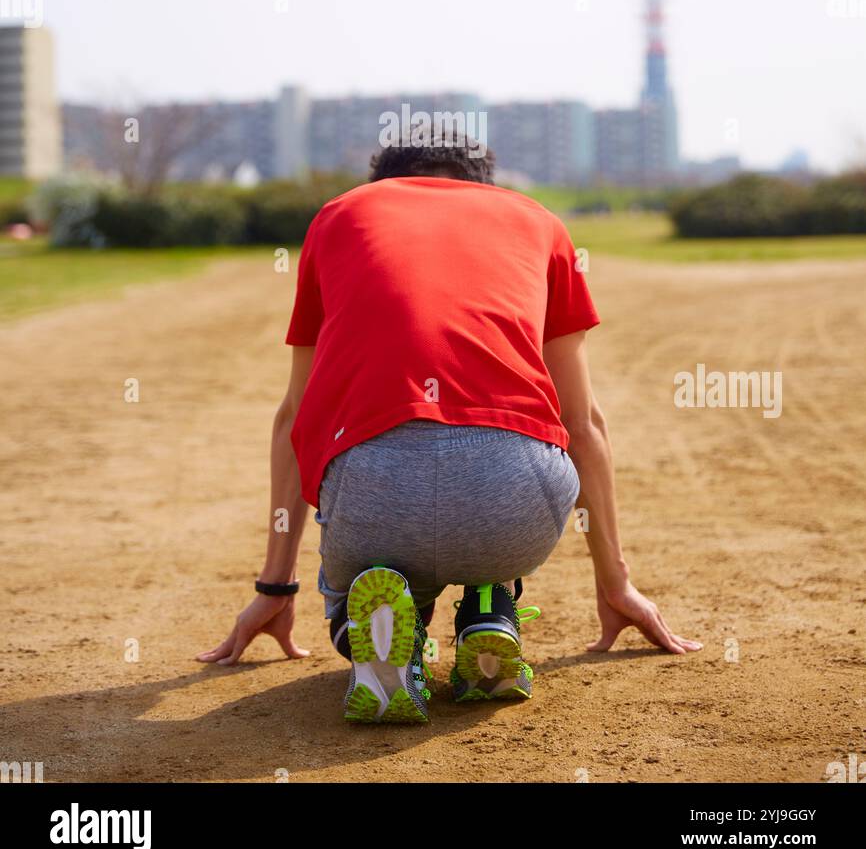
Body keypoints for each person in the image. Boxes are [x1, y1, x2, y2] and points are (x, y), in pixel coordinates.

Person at [198, 139, 700, 722]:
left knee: (372, 586)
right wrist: (617, 586)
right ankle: (490, 613)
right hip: (513, 494)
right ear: (482, 185)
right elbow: (582, 424)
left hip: (372, 489)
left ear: (381, 185)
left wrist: (275, 589)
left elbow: (293, 415)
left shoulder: (339, 216)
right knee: (495, 511)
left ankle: (393, 644)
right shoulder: (539, 222)